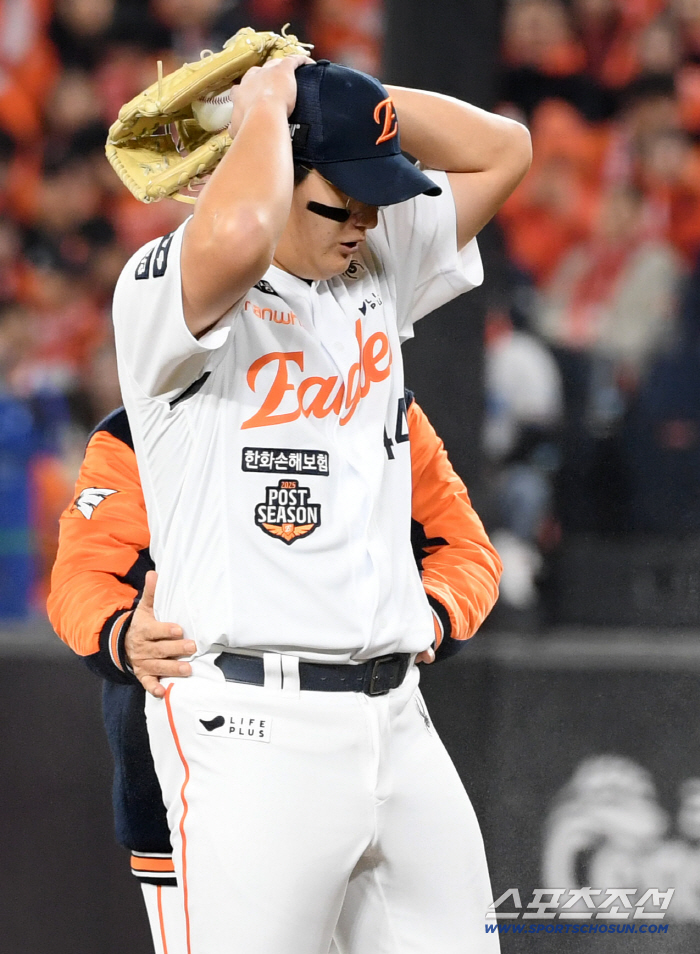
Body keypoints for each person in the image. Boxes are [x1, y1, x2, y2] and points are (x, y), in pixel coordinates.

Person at [109, 54, 530, 953]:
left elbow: (505, 150)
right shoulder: (166, 287)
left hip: (397, 718)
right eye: (339, 202)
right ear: (263, 169)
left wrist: (332, 93)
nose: (366, 223)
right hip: (253, 727)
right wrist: (261, 111)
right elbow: (239, 235)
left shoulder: (368, 260)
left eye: (375, 200)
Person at [49, 393, 502, 954]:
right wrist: (120, 633)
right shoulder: (145, 422)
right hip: (198, 743)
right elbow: (84, 574)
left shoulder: (384, 406)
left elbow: (464, 547)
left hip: (380, 722)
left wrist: (429, 613)